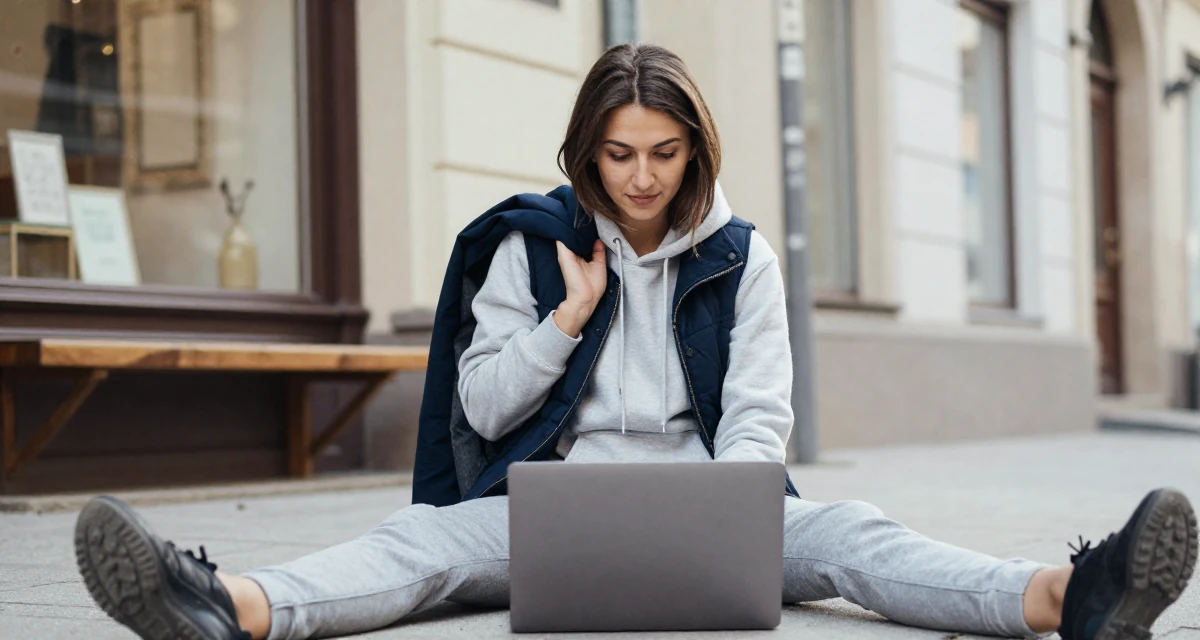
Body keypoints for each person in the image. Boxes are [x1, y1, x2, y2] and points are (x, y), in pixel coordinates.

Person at [73, 43, 1196, 640]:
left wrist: (728, 523)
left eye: (663, 152)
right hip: (553, 510)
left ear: (693, 150)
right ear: (586, 153)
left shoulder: (740, 257)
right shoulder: (531, 248)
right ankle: (228, 608)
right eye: (619, 154)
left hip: (724, 506)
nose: (643, 178)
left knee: (854, 533)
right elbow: (479, 412)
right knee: (419, 549)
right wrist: (566, 319)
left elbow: (759, 421)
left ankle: (1071, 595)